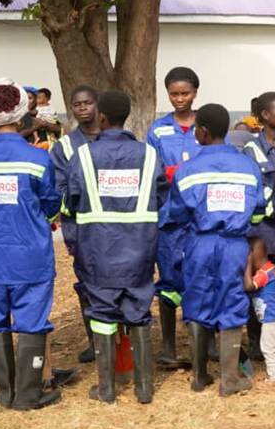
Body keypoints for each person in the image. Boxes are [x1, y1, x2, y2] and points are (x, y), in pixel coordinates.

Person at [65, 90, 168, 404]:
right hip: (140, 246)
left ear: (102, 117)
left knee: (102, 312)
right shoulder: (149, 154)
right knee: (138, 310)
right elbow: (161, 195)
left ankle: (107, 388)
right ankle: (144, 388)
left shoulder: (83, 155)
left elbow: (71, 198)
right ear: (127, 116)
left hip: (98, 249)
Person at [160, 103, 263, 396]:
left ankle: (199, 375)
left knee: (197, 300)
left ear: (201, 132)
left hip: (200, 244)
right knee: (232, 302)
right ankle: (230, 379)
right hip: (234, 244)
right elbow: (258, 212)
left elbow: (176, 213)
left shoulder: (188, 169)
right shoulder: (248, 167)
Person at [0, 78, 61, 409]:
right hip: (30, 256)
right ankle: (28, 394)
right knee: (32, 320)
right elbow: (51, 203)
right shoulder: (38, 160)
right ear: (23, 113)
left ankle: (4, 394)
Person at [147, 67, 202, 367]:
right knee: (168, 280)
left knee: (200, 278)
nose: (180, 99)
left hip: (200, 218)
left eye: (185, 93)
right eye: (174, 94)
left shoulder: (204, 126)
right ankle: (169, 348)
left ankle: (201, 345)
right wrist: (168, 176)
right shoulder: (157, 130)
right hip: (168, 218)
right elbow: (152, 172)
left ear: (196, 92)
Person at [49, 85, 102, 365]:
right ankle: (95, 342)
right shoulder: (65, 146)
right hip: (81, 229)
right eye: (77, 104)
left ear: (97, 106)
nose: (82, 108)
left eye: (87, 103)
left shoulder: (113, 138)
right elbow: (58, 188)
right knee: (87, 284)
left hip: (119, 229)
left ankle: (120, 342)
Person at [242, 91, 275, 358]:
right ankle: (255, 344)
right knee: (256, 288)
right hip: (260, 233)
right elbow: (253, 190)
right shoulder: (251, 150)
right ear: (265, 115)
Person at [244, 237, 275, 387]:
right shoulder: (272, 268)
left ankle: (274, 380)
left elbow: (249, 286)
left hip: (272, 319)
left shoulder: (263, 274)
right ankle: (274, 375)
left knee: (267, 349)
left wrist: (247, 264)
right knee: (272, 348)